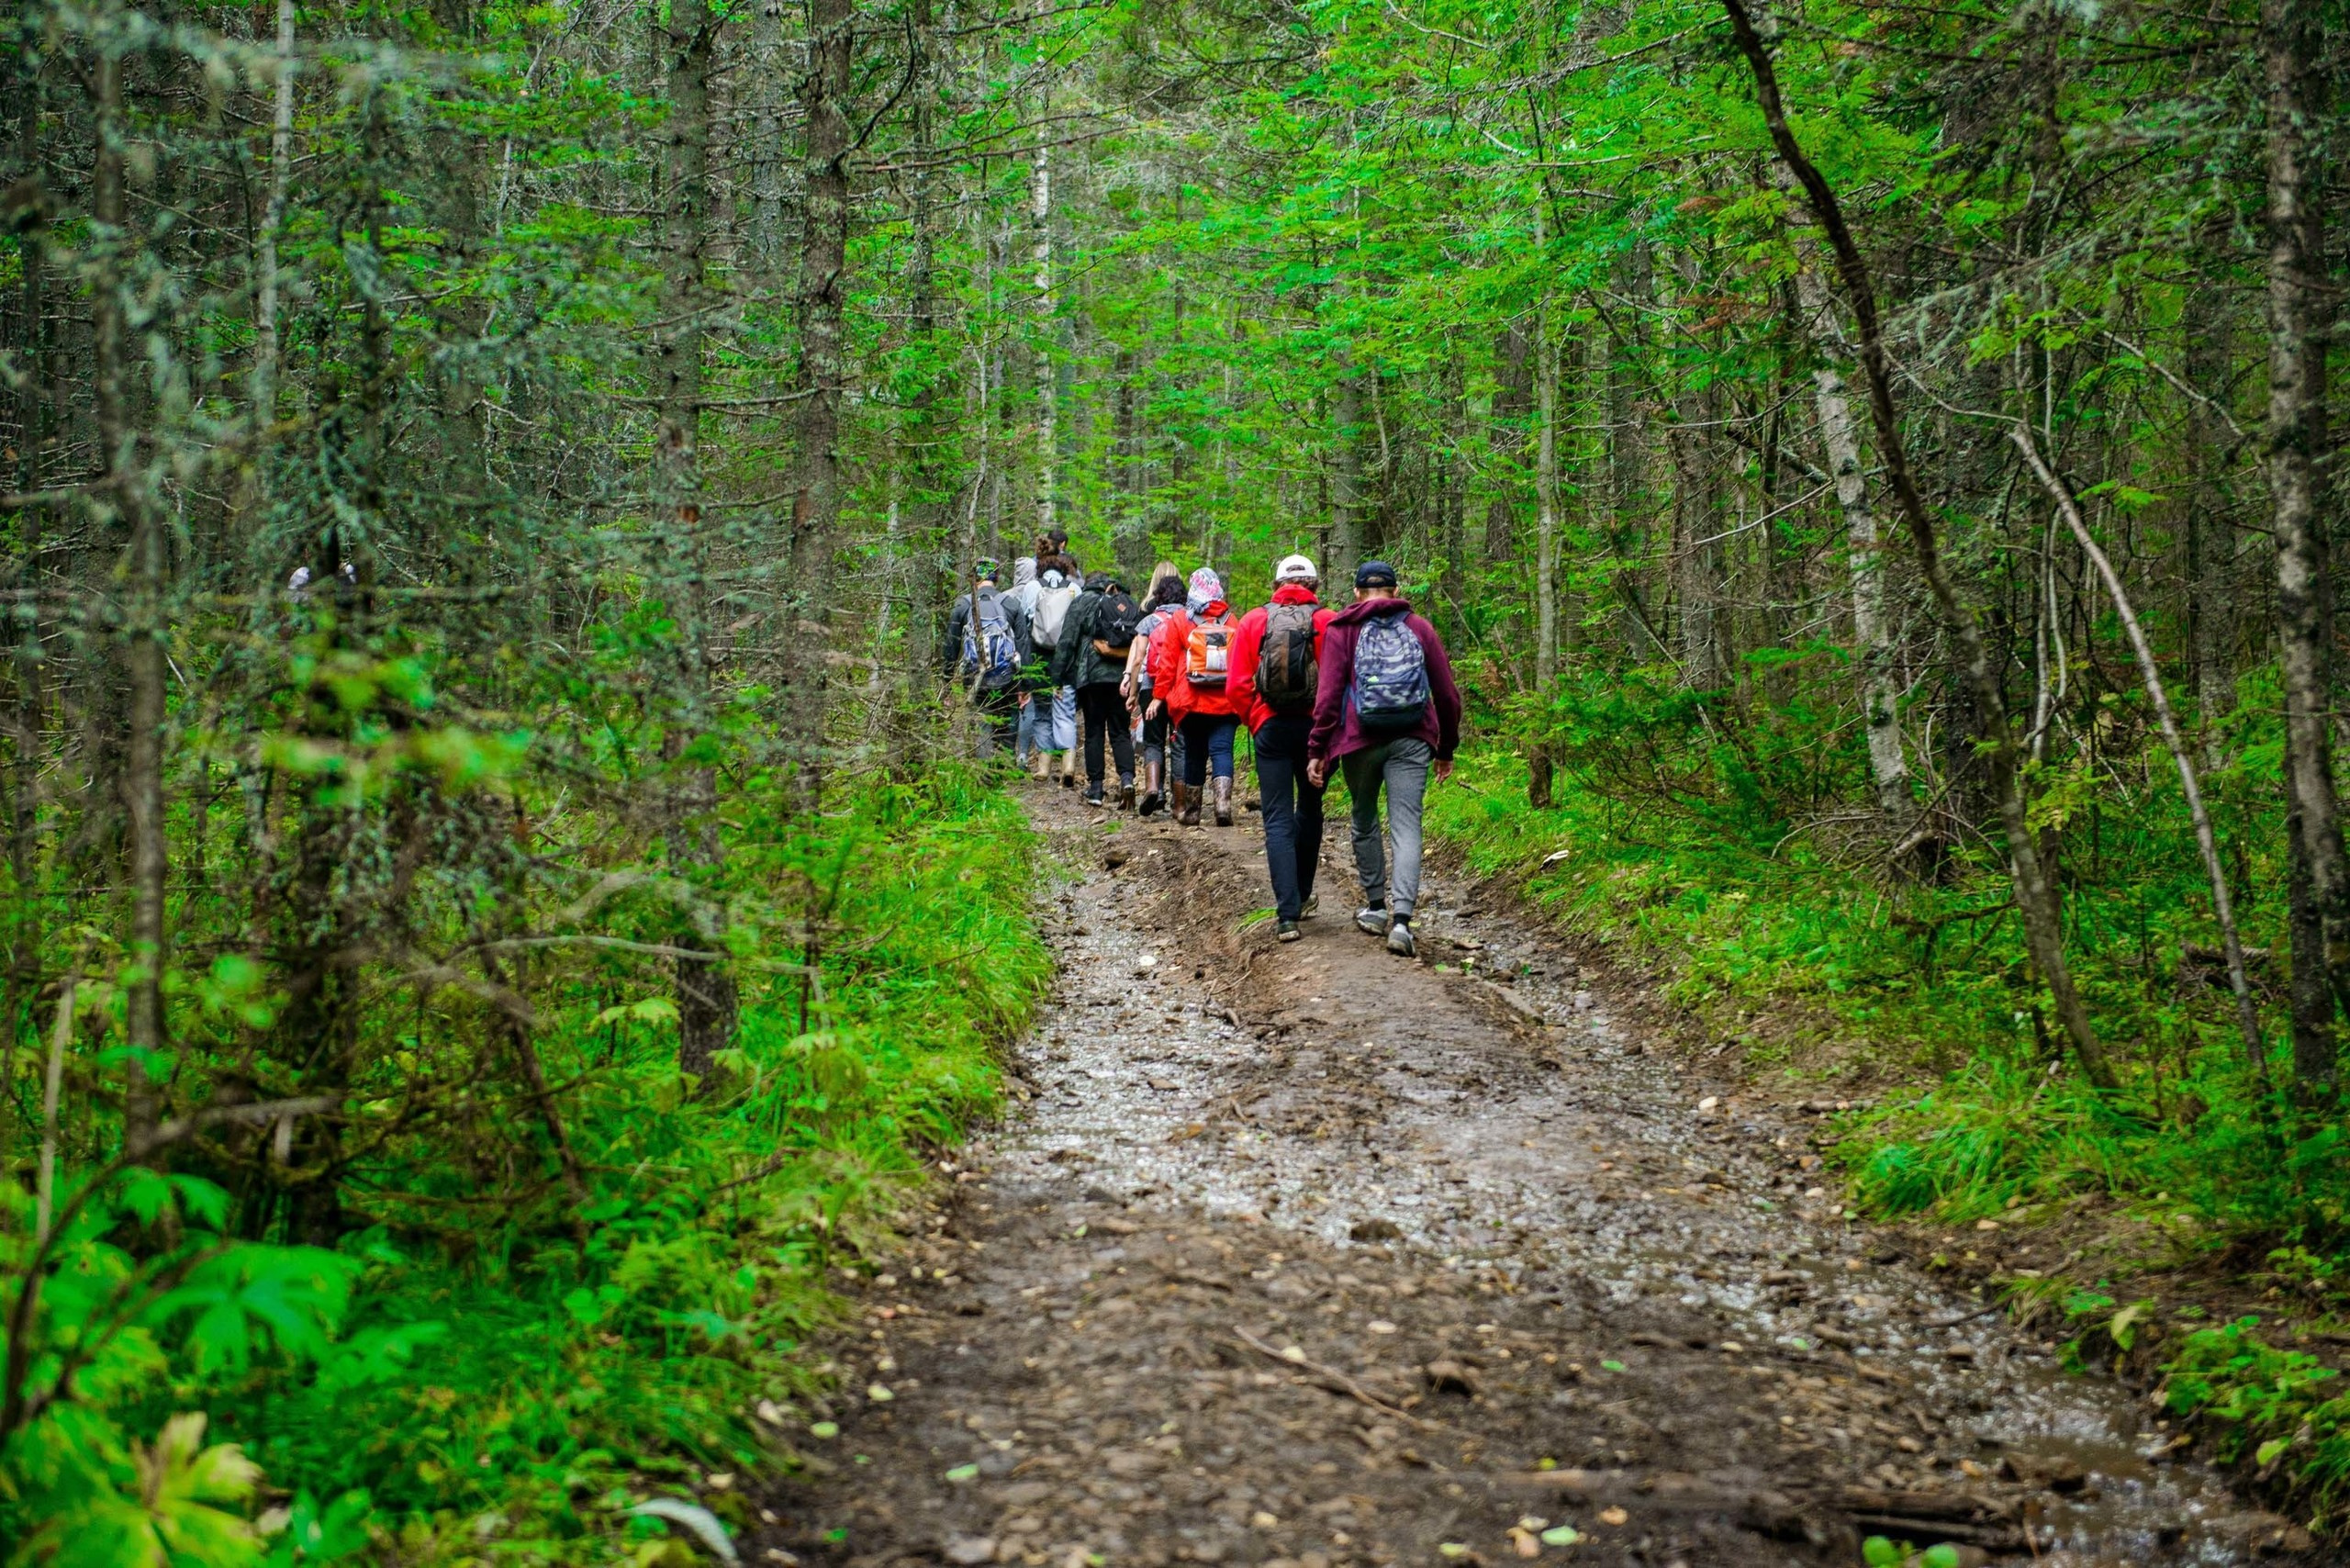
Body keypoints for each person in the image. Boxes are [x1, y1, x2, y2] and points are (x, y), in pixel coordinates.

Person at [1305, 560, 1463, 958]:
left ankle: (1376, 907)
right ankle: (1402, 922)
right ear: (1395, 591)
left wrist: (1318, 749)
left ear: (1357, 593)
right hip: (1413, 738)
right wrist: (1445, 749)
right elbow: (1447, 696)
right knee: (1406, 826)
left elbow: (1327, 698)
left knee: (1363, 817)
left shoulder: (1343, 630)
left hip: (1359, 740)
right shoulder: (1419, 627)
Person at [1226, 554, 1335, 943]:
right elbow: (1338, 682)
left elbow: (1236, 685)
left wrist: (1253, 718)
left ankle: (1286, 915)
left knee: (1276, 817)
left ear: (1276, 587)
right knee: (1309, 808)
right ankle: (1303, 895)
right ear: (1315, 586)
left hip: (1270, 725)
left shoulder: (1255, 620)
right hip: (1317, 731)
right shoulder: (1328, 620)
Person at [1148, 566, 1245, 827]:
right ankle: (1223, 807)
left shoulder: (1181, 620)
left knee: (1194, 753)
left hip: (1191, 701)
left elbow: (1167, 664)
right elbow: (1241, 662)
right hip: (1225, 701)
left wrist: (1158, 697)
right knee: (1222, 750)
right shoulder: (1231, 620)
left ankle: (1192, 812)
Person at [1051, 569, 1145, 808]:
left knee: (1094, 731)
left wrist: (1058, 678)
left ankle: (1095, 789)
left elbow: (1067, 641)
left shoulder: (1081, 602)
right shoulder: (1123, 601)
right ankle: (1127, 781)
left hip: (1091, 677)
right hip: (1121, 676)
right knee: (1120, 731)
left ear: (1088, 583)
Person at [940, 559, 1034, 757]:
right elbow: (1023, 645)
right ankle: (1005, 766)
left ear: (974, 578)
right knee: (1007, 718)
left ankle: (984, 769)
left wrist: (946, 682)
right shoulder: (1011, 604)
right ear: (997, 577)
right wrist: (1025, 685)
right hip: (1007, 677)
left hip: (974, 676)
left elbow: (951, 646)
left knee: (981, 719)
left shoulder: (963, 605)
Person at [1123, 566, 1186, 815]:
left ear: (1158, 597)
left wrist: (1133, 693)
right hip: (1181, 689)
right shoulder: (1189, 620)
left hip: (1152, 688)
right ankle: (1179, 804)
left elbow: (1138, 659)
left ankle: (1153, 789)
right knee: (1179, 742)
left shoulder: (1149, 621)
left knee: (1153, 741)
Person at [1027, 557, 1082, 785]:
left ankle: (1043, 768)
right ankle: (1068, 766)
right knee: (1065, 713)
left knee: (1042, 714)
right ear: (1065, 570)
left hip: (1039, 660)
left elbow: (1025, 623)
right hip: (1066, 662)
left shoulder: (1033, 587)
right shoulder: (1074, 588)